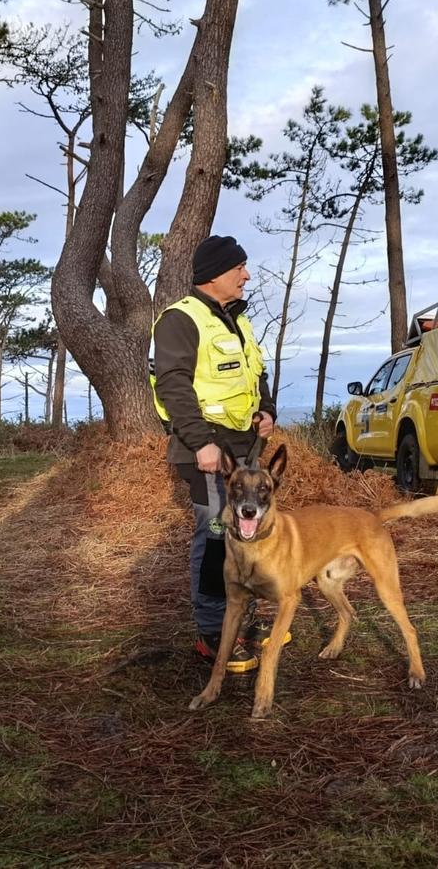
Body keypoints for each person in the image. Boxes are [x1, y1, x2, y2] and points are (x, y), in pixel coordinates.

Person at [152, 234, 286, 673]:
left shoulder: (236, 320)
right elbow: (173, 385)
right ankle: (212, 633)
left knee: (247, 535)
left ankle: (242, 622)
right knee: (214, 537)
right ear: (215, 273)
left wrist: (266, 410)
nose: (246, 276)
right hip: (205, 449)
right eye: (239, 269)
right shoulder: (180, 319)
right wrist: (201, 442)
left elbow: (256, 372)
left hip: (244, 448)